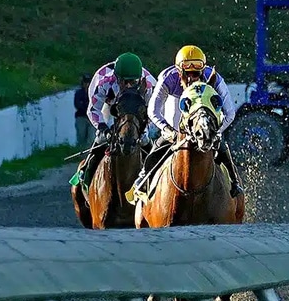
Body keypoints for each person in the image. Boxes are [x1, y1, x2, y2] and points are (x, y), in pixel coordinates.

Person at [131, 45, 243, 198]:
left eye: (196, 73)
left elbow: (230, 113)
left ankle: (235, 181)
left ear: (203, 71)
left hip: (205, 126)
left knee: (222, 147)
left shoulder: (215, 78)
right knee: (158, 147)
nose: (191, 78)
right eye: (187, 73)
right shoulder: (168, 79)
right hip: (176, 124)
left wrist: (216, 131)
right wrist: (166, 129)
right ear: (179, 72)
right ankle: (143, 178)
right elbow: (153, 110)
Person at [75, 53, 157, 187]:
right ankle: (87, 172)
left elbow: (152, 112)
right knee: (101, 139)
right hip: (109, 105)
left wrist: (143, 131)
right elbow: (93, 110)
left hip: (137, 111)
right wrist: (104, 130)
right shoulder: (104, 83)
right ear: (117, 78)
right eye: (125, 81)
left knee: (144, 140)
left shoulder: (148, 85)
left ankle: (155, 171)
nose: (129, 85)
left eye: (133, 81)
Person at [74, 75, 94, 149]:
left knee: (91, 138)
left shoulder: (94, 93)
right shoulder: (78, 93)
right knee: (81, 137)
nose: (87, 84)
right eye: (85, 82)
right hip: (81, 117)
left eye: (88, 82)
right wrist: (87, 108)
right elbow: (77, 105)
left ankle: (88, 155)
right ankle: (81, 156)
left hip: (92, 118)